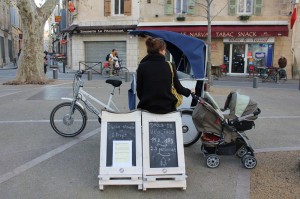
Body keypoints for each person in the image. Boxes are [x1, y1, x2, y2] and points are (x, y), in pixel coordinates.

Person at [136, 37, 194, 114]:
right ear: (161, 50)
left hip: (147, 108)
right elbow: (178, 88)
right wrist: (190, 91)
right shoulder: (169, 66)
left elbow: (139, 91)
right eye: (164, 49)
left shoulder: (141, 66)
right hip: (167, 108)